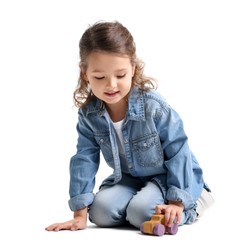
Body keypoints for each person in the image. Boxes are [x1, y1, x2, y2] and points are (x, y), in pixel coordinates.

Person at [45, 20, 214, 232]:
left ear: (133, 69)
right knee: (99, 213)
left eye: (120, 75)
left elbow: (179, 152)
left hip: (168, 178)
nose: (111, 85)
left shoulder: (154, 107)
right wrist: (80, 215)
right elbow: (84, 158)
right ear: (84, 73)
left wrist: (176, 202)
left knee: (142, 212)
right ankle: (139, 208)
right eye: (99, 77)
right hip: (129, 178)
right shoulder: (89, 114)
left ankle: (194, 202)